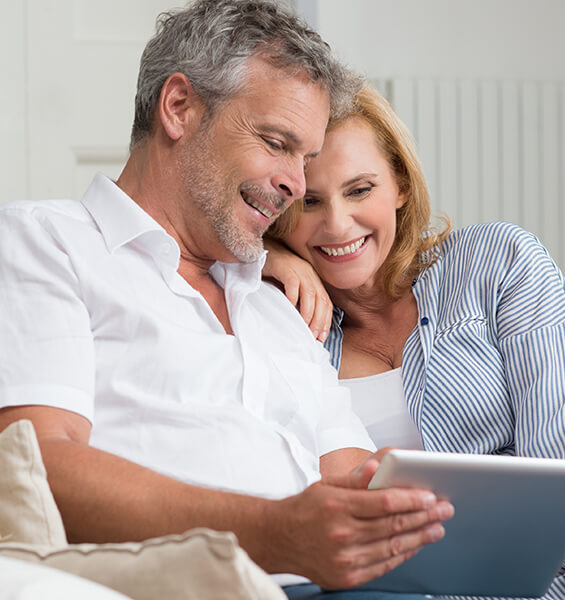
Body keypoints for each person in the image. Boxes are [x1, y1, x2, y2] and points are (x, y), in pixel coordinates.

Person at [0, 1, 454, 595]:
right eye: (276, 142)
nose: (296, 184)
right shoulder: (46, 243)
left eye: (305, 158)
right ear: (180, 108)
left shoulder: (279, 304)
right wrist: (272, 532)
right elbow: (36, 464)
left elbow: (353, 477)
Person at [265, 84, 565, 598]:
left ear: (399, 183)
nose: (336, 225)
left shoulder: (499, 265)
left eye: (359, 190)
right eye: (309, 201)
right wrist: (262, 259)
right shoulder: (279, 317)